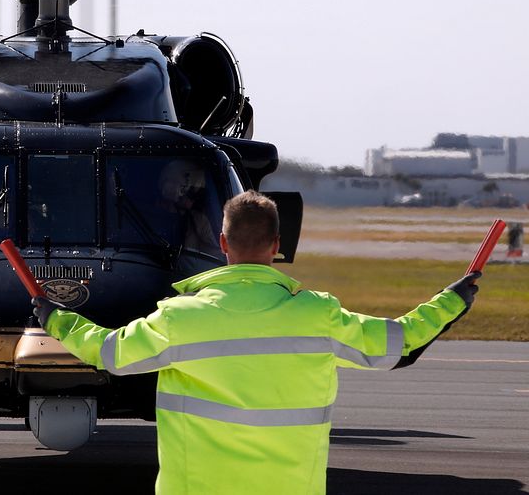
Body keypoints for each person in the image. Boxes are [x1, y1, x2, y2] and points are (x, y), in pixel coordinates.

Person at [32, 190, 480, 495]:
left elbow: (109, 352)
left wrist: (57, 318)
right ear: (277, 245)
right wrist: (452, 300)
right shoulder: (317, 315)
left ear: (223, 242)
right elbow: (399, 342)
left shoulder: (179, 319)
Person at [152, 160, 219, 255]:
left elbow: (215, 255)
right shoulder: (146, 215)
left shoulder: (198, 221)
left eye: (199, 194)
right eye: (191, 192)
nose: (194, 200)